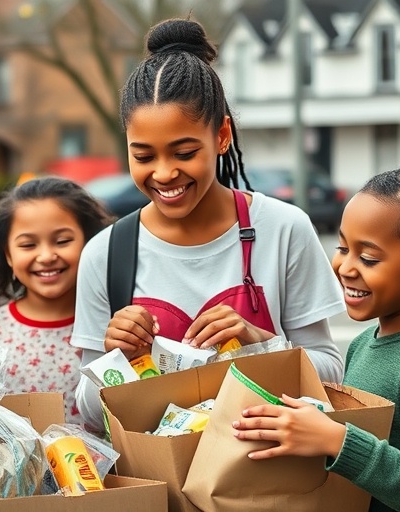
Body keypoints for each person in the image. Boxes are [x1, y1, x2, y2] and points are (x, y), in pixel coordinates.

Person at [71, 17, 346, 433]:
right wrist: (117, 360)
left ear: (221, 136)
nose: (164, 174)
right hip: (160, 488)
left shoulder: (284, 229)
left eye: (183, 152)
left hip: (266, 480)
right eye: (143, 156)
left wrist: (260, 343)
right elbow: (90, 412)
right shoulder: (106, 253)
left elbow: (331, 376)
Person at [233, 166, 400, 512]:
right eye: (343, 247)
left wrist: (338, 440)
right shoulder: (363, 342)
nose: (345, 267)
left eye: (369, 258)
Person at [0, 177, 113, 424]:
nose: (46, 256)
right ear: (9, 256)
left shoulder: (111, 324)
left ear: (91, 245)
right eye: (28, 245)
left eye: (62, 241)